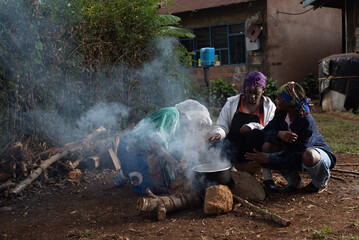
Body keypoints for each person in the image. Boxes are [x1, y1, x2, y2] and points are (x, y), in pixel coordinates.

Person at [245, 82, 337, 193]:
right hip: (293, 153)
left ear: (289, 102)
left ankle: (318, 183)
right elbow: (267, 131)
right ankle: (293, 181)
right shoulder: (281, 114)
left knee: (309, 156)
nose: (276, 101)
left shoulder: (306, 121)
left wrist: (269, 159)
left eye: (279, 99)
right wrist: (279, 133)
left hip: (313, 155)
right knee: (268, 146)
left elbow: (298, 156)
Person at [112, 99, 212, 194]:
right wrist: (173, 163)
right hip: (130, 149)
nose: (200, 129)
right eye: (202, 123)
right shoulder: (172, 114)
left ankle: (128, 171)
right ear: (193, 114)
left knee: (170, 177)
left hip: (145, 150)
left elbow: (175, 154)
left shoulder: (180, 128)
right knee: (158, 184)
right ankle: (125, 173)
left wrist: (181, 165)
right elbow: (153, 143)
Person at [208, 71, 277, 191]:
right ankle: (230, 174)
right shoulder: (232, 103)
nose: (252, 96)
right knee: (214, 144)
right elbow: (222, 125)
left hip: (253, 150)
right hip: (234, 148)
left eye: (257, 93)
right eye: (249, 92)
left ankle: (267, 177)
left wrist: (252, 125)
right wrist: (219, 133)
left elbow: (270, 130)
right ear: (245, 88)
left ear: (263, 91)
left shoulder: (269, 107)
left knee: (257, 134)